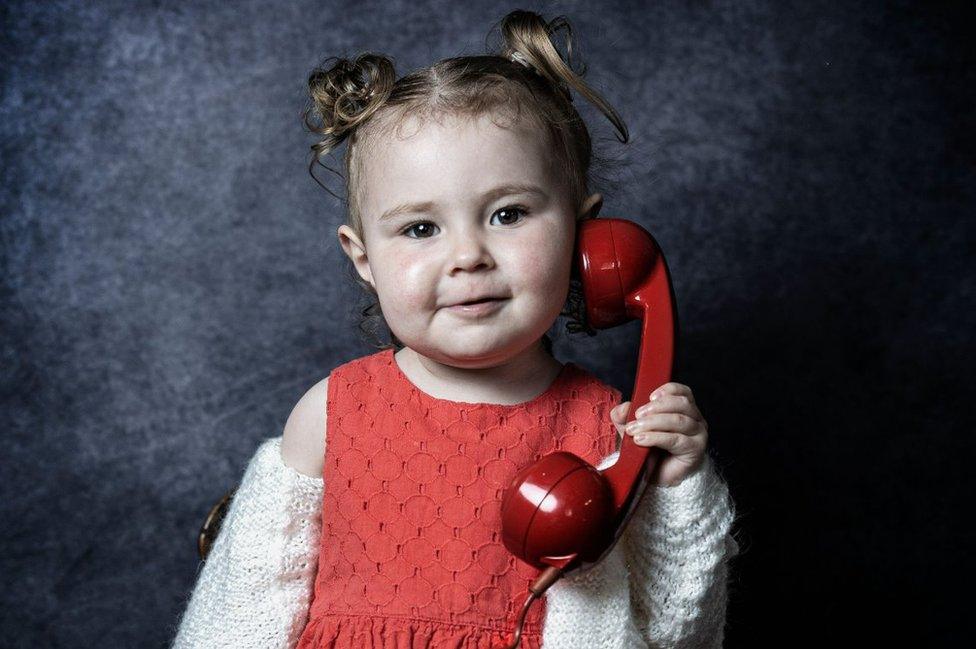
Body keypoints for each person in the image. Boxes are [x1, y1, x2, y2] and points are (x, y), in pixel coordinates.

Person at [171, 9, 739, 649]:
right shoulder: (331, 413)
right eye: (420, 228)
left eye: (509, 213)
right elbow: (237, 609)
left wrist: (675, 488)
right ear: (364, 259)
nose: (468, 255)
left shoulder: (612, 430)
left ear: (585, 237)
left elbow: (679, 632)